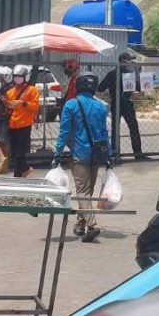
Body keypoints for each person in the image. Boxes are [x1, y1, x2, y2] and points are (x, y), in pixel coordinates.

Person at [53, 73, 110, 242]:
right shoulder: (100, 107)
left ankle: (92, 225)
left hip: (80, 154)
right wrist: (109, 156)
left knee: (83, 192)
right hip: (97, 155)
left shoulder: (71, 105)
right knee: (88, 191)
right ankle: (80, 224)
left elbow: (63, 132)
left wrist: (57, 153)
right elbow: (105, 133)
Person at [98, 52, 147, 160]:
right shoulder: (128, 74)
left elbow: (100, 88)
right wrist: (144, 79)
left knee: (116, 130)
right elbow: (140, 87)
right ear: (124, 61)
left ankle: (116, 154)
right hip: (126, 103)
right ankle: (138, 154)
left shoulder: (113, 74)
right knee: (133, 128)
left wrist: (111, 87)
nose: (130, 62)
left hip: (116, 104)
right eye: (129, 60)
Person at [4, 64, 39, 177]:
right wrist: (6, 106)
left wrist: (23, 103)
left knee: (20, 153)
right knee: (14, 153)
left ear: (25, 77)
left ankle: (17, 176)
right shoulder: (10, 92)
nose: (17, 78)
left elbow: (35, 106)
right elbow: (8, 109)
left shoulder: (32, 90)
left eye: (19, 76)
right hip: (12, 125)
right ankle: (25, 168)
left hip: (24, 125)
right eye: (15, 76)